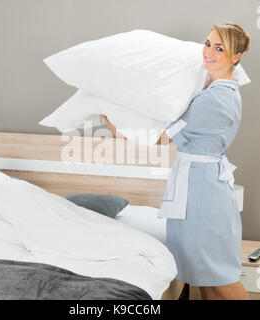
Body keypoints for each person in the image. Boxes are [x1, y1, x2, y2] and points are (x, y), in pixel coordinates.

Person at [101, 22, 251, 300]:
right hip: (201, 182)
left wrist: (117, 131)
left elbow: (161, 139)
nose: (209, 51)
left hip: (201, 190)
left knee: (218, 275)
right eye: (207, 43)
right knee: (205, 273)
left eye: (220, 48)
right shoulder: (222, 89)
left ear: (235, 57)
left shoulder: (213, 99)